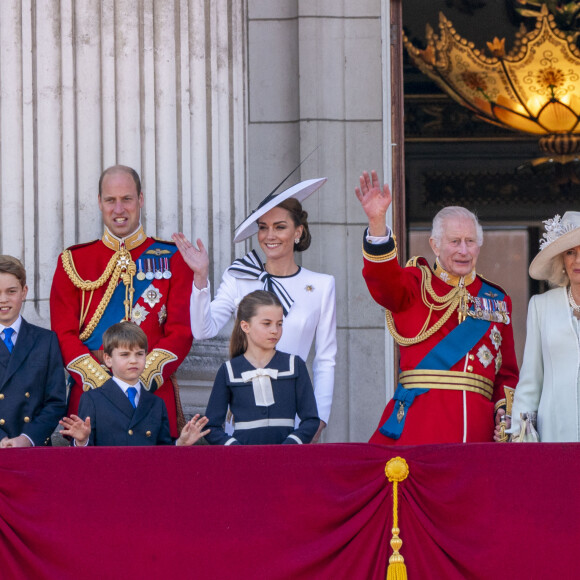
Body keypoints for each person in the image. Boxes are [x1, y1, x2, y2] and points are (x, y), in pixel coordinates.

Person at [355, 170, 519, 444]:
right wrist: (377, 224)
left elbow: (507, 373)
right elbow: (383, 282)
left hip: (478, 434)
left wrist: (504, 415)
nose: (463, 251)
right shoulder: (414, 284)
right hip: (421, 428)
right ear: (435, 245)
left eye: (470, 242)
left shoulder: (497, 300)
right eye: (455, 241)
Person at [172, 178, 336, 442]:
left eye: (279, 227)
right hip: (243, 418)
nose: (269, 236)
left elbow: (325, 359)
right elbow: (203, 330)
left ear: (298, 232)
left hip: (295, 419)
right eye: (263, 228)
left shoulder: (321, 285)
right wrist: (201, 278)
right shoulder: (239, 276)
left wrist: (319, 421)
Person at [50, 165, 194, 438]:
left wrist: (139, 379)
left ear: (140, 200)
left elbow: (181, 332)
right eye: (110, 200)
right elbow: (63, 333)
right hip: (91, 395)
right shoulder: (73, 261)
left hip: (152, 398)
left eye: (126, 199)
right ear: (99, 202)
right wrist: (104, 384)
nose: (119, 209)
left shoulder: (173, 258)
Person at [59, 322, 209, 446]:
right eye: (125, 355)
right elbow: (83, 461)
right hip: (107, 478)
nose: (133, 360)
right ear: (108, 359)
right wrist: (82, 441)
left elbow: (163, 453)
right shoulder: (92, 399)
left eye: (139, 354)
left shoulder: (156, 403)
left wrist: (180, 443)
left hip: (147, 478)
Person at [500, 211, 580, 442]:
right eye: (570, 252)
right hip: (554, 431)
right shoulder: (542, 305)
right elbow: (531, 378)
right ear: (561, 260)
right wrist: (520, 434)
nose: (577, 260)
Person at [204, 290, 319, 445]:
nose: (275, 330)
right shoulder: (229, 370)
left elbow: (311, 420)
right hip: (244, 462)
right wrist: (235, 448)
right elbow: (211, 426)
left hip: (287, 461)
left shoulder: (294, 365)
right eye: (267, 323)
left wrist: (290, 445)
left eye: (279, 324)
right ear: (245, 326)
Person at [0, 255, 66, 447]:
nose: (3, 299)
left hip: (33, 447)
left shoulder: (46, 340)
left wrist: (27, 438)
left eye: (11, 291)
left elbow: (56, 401)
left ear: (24, 291)